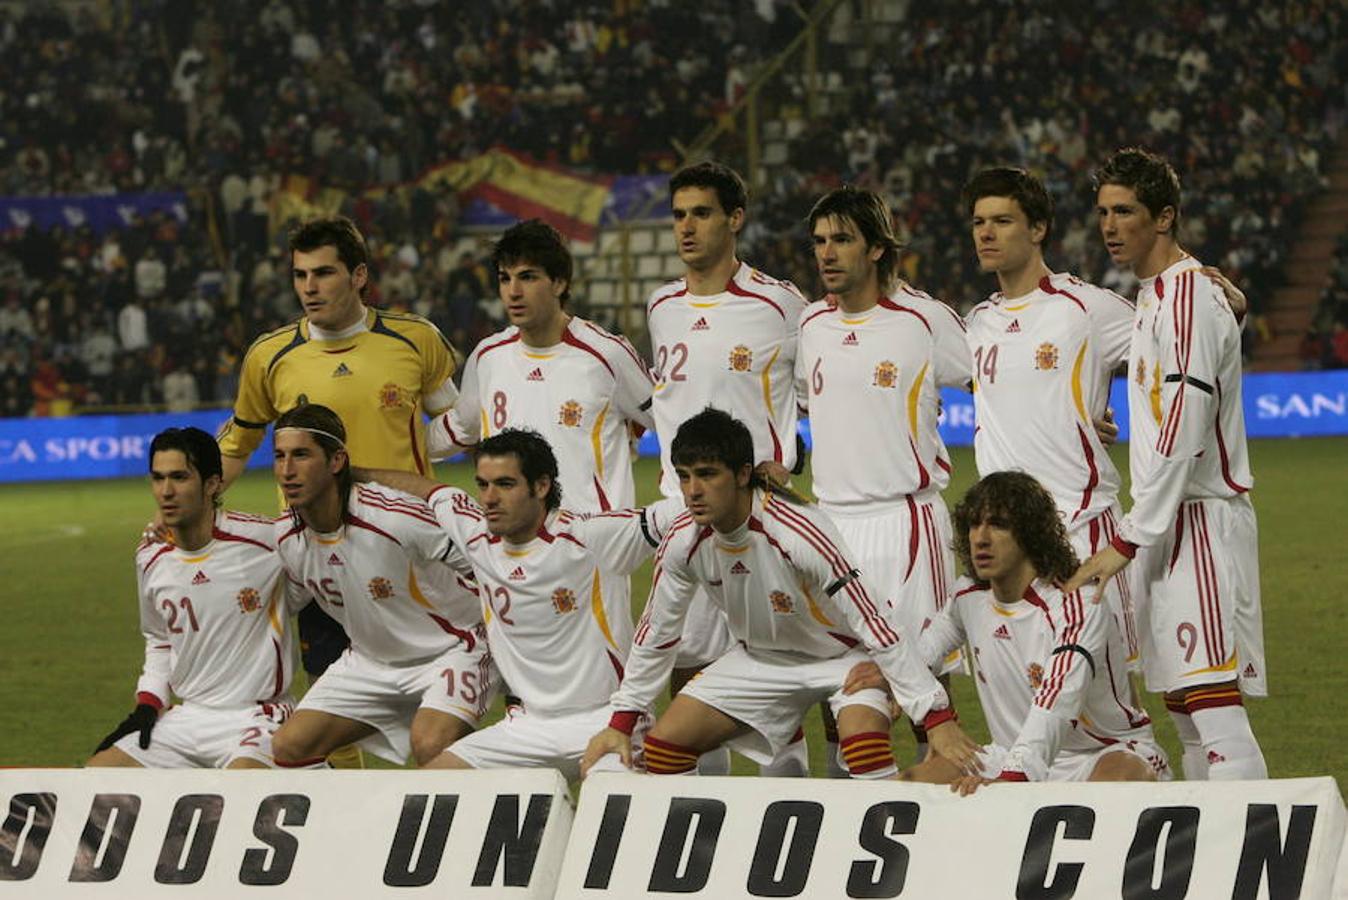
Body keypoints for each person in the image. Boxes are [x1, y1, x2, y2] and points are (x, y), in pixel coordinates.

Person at [580, 408, 980, 780]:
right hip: (758, 661)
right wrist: (622, 723)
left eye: (707, 474)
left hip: (841, 658)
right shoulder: (684, 540)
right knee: (665, 747)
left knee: (864, 747)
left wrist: (935, 717)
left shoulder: (797, 530)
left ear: (742, 474)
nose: (693, 491)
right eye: (684, 477)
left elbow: (872, 617)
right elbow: (656, 633)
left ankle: (880, 828)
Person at [217, 216, 461, 762]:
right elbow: (236, 446)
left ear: (358, 276)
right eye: (300, 274)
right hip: (321, 559)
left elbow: (459, 426)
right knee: (329, 704)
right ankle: (347, 805)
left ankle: (457, 788)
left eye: (324, 273)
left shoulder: (415, 339)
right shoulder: (269, 356)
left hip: (411, 555)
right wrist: (189, 510)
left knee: (440, 705)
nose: (309, 286)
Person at [1066, 148, 1267, 781]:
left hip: (1197, 520)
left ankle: (1250, 841)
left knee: (1215, 713)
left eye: (1125, 211)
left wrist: (1128, 538)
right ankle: (1207, 842)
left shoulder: (1187, 296)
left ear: (1164, 217)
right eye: (1103, 211)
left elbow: (1185, 427)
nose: (1110, 225)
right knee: (1186, 713)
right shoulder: (1158, 296)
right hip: (1166, 524)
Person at [357, 429, 682, 782]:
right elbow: (430, 491)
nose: (489, 498)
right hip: (525, 728)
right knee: (428, 789)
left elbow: (674, 512)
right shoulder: (475, 535)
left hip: (605, 720)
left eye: (505, 484)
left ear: (541, 486)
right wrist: (352, 474)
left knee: (611, 803)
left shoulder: (588, 536)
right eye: (482, 485)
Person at [796, 185, 970, 767]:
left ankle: (944, 795)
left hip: (906, 522)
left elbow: (994, 379)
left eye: (842, 239)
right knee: (839, 679)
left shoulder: (925, 320)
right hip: (832, 525)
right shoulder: (811, 324)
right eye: (820, 241)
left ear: (875, 248)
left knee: (925, 681)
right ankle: (844, 797)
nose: (827, 253)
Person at [645, 161, 809, 775]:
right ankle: (706, 804)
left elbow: (820, 390)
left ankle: (786, 800)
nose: (686, 227)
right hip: (682, 515)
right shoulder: (661, 306)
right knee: (689, 671)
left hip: (759, 517)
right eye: (679, 215)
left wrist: (790, 458)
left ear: (735, 219)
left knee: (776, 672)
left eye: (702, 213)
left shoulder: (780, 304)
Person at [960, 167, 1142, 666]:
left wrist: (1227, 307)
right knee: (1028, 690)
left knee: (1104, 696)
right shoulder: (975, 324)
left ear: (1038, 228)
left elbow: (1176, 350)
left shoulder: (1089, 309)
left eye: (1002, 221)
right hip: (1007, 542)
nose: (986, 233)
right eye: (978, 222)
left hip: (1079, 529)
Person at [895, 471, 1168, 791]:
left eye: (998, 525)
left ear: (1030, 533)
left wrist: (1013, 779)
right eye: (973, 524)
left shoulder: (1078, 602)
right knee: (907, 786)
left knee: (1113, 784)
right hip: (1008, 754)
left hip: (1100, 754)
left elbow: (1058, 699)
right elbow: (920, 657)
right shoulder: (967, 595)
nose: (980, 538)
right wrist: (922, 707)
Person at [265, 403, 490, 768]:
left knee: (431, 745)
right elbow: (282, 602)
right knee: (289, 747)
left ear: (337, 461)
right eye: (280, 456)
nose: (287, 470)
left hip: (453, 649)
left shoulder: (394, 517)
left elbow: (486, 567)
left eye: (301, 455)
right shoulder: (287, 538)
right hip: (369, 662)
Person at [88, 427, 302, 769]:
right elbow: (158, 638)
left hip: (257, 717)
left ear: (212, 483)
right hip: (187, 719)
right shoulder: (150, 556)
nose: (166, 491)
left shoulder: (266, 540)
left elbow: (319, 574)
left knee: (240, 786)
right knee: (100, 774)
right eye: (158, 478)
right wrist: (148, 702)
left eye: (179, 477)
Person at [427, 219, 654, 513]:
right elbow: (460, 426)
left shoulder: (607, 355)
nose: (513, 291)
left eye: (527, 277)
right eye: (505, 278)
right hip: (512, 537)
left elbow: (668, 420)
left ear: (559, 283)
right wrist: (394, 441)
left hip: (593, 538)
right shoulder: (487, 357)